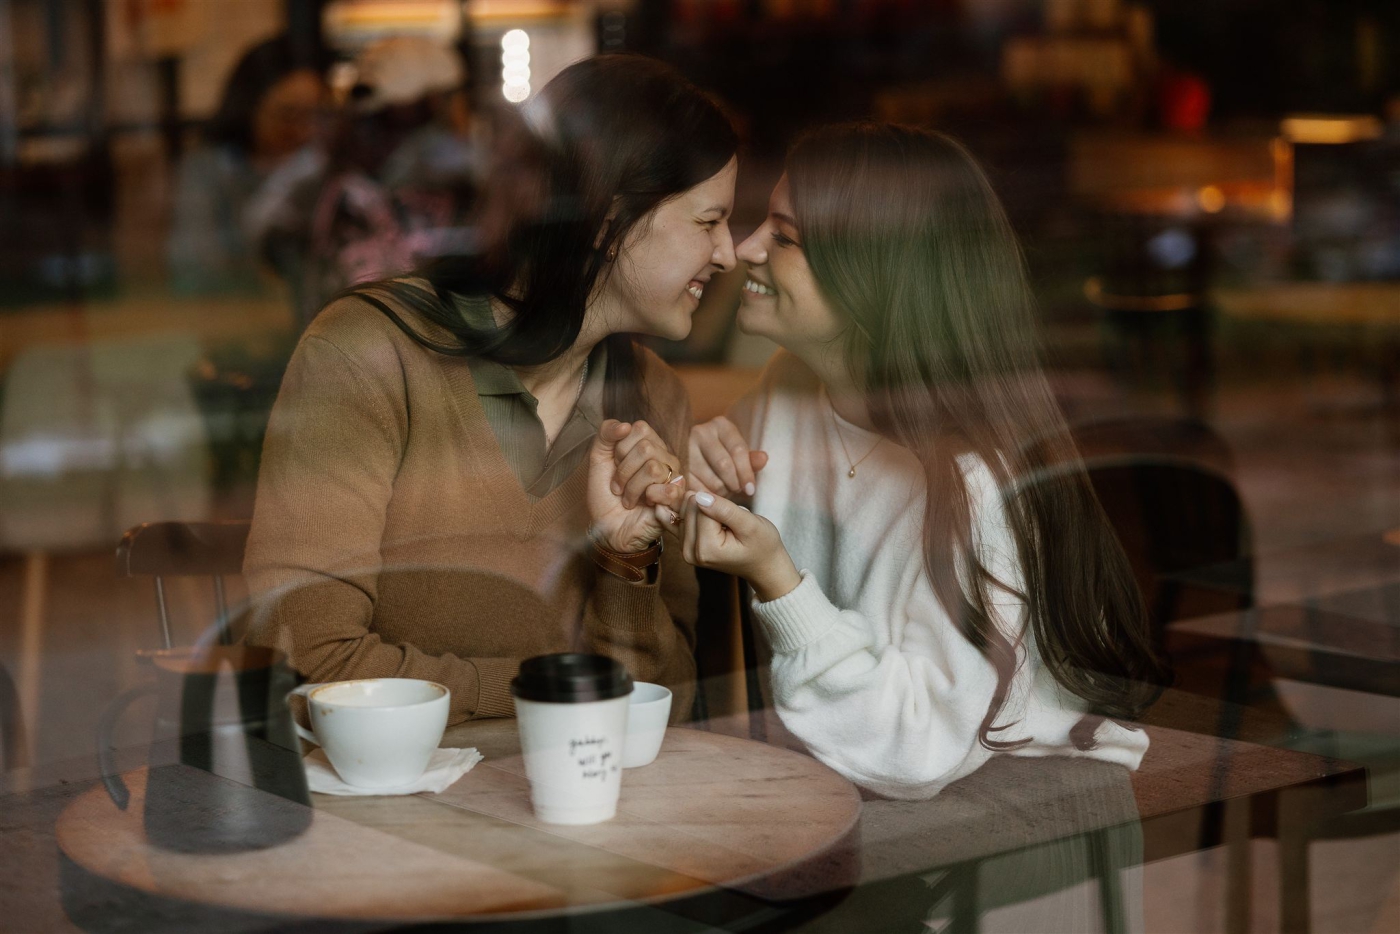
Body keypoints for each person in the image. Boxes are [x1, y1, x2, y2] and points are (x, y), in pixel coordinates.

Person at [242, 55, 739, 725]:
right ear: (607, 223)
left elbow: (668, 699)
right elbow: (309, 664)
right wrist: (554, 690)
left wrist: (627, 564)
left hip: (589, 807)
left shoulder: (655, 397)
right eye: (709, 222)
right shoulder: (368, 354)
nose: (729, 253)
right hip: (384, 812)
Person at [679, 123, 1168, 799]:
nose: (742, 250)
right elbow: (702, 505)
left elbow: (915, 749)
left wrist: (780, 585)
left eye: (785, 238)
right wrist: (696, 461)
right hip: (864, 799)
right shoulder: (790, 393)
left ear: (877, 276)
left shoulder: (972, 484)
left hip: (1011, 825)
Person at [168, 36, 327, 294]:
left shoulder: (324, 165)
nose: (305, 130)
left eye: (316, 114)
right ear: (248, 105)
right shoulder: (210, 168)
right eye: (288, 115)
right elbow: (193, 268)